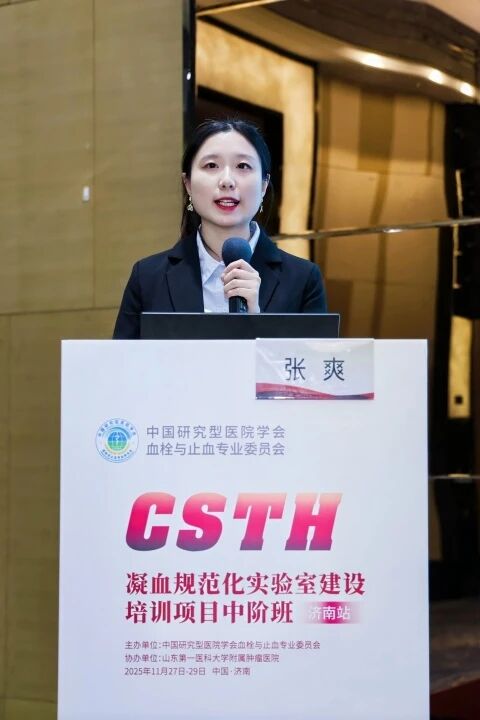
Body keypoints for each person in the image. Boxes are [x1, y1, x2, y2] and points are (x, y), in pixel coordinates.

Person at [113, 119, 326, 339]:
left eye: (242, 166)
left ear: (264, 185)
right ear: (188, 184)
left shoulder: (303, 280)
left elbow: (311, 360)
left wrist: (258, 320)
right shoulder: (148, 278)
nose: (227, 181)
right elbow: (123, 360)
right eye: (211, 166)